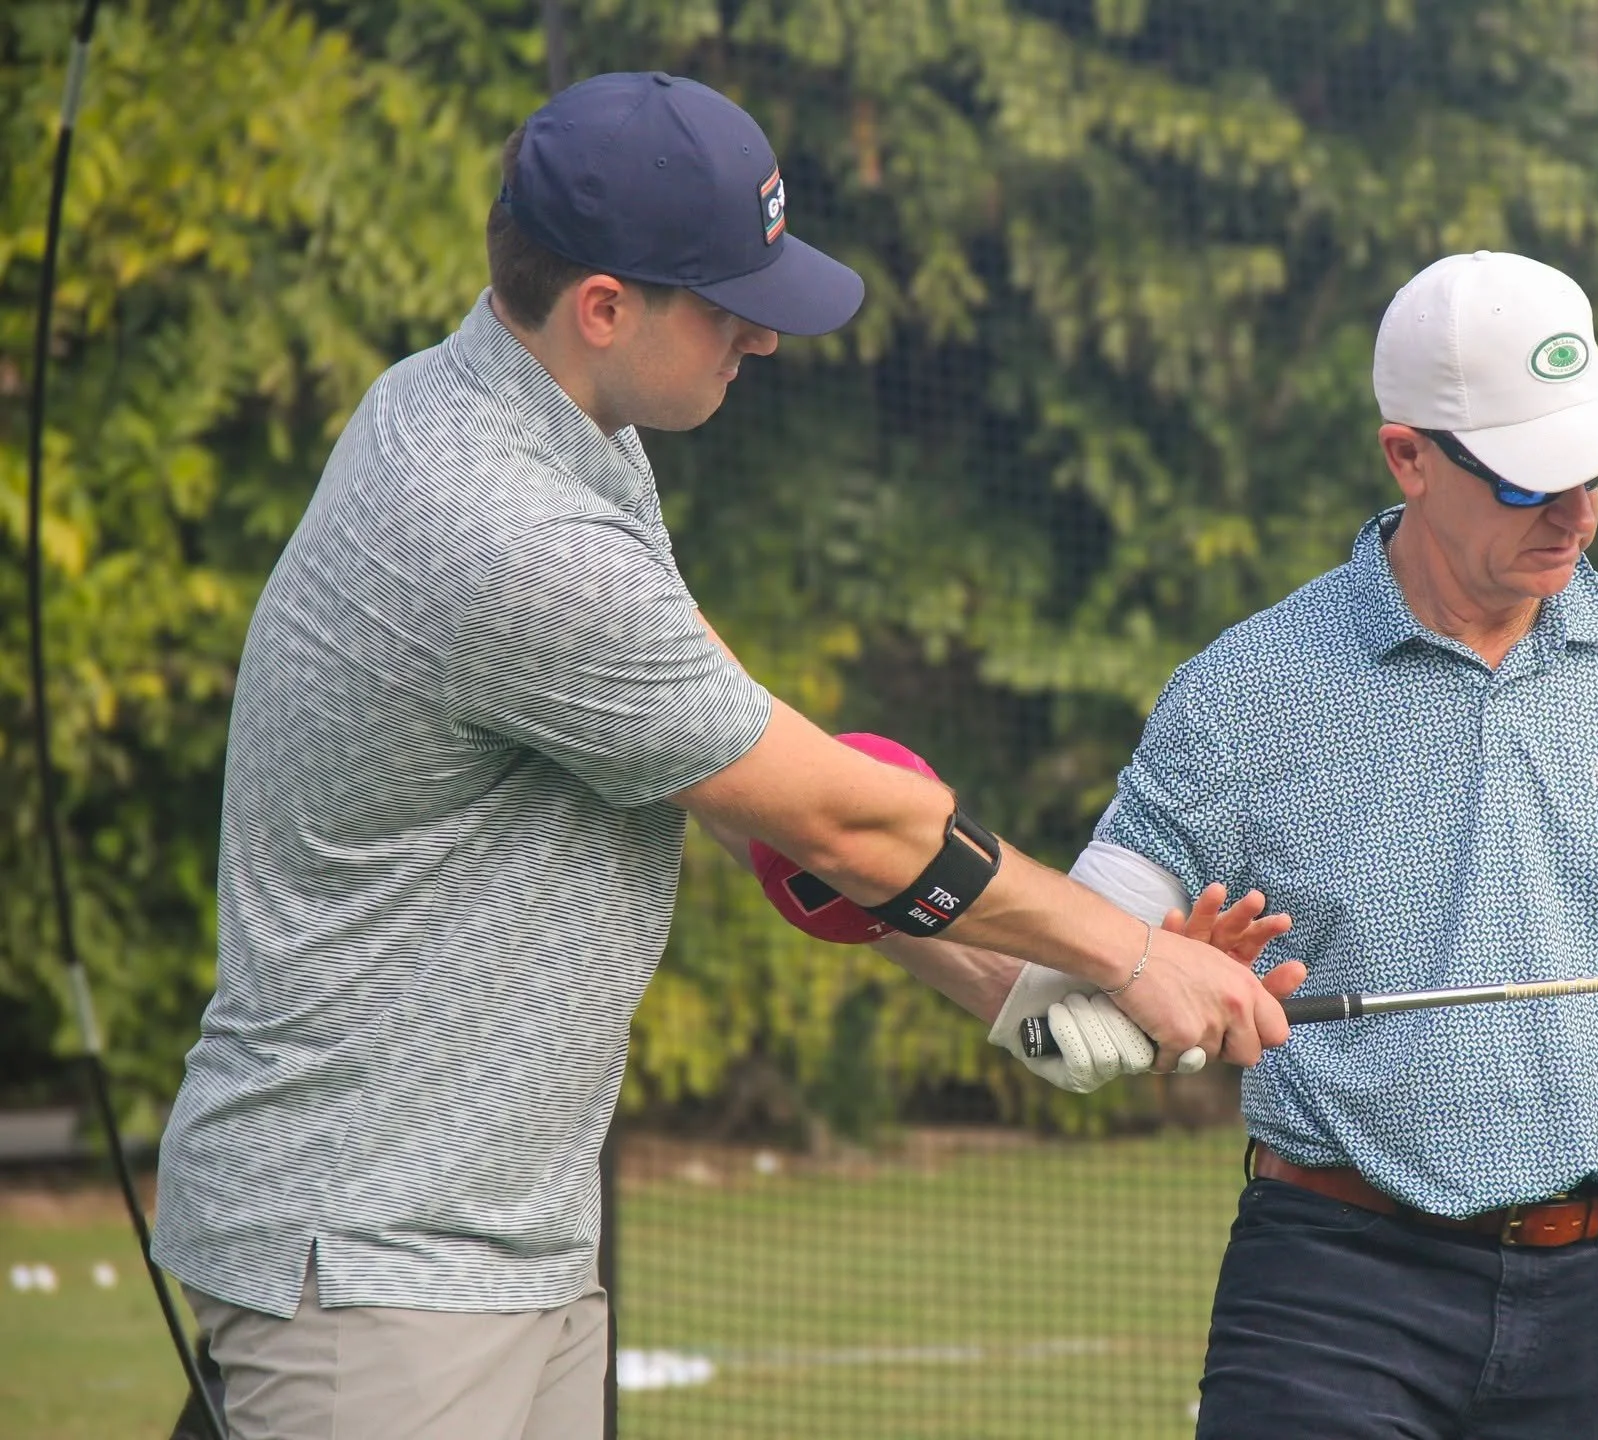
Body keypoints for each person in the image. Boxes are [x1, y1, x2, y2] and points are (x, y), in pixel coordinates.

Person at [150, 72, 1290, 1440]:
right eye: (730, 306)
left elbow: (743, 770)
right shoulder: (508, 533)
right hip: (375, 1272)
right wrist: (1129, 950)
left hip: (492, 1247)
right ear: (605, 306)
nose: (761, 339)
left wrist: (1012, 991)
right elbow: (836, 818)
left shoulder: (541, 427)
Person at [983, 250, 1598, 1437]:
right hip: (1335, 1288)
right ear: (1409, 456)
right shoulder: (1244, 687)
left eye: (1590, 473)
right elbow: (1060, 993)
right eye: (1528, 479)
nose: (1575, 514)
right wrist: (1141, 969)